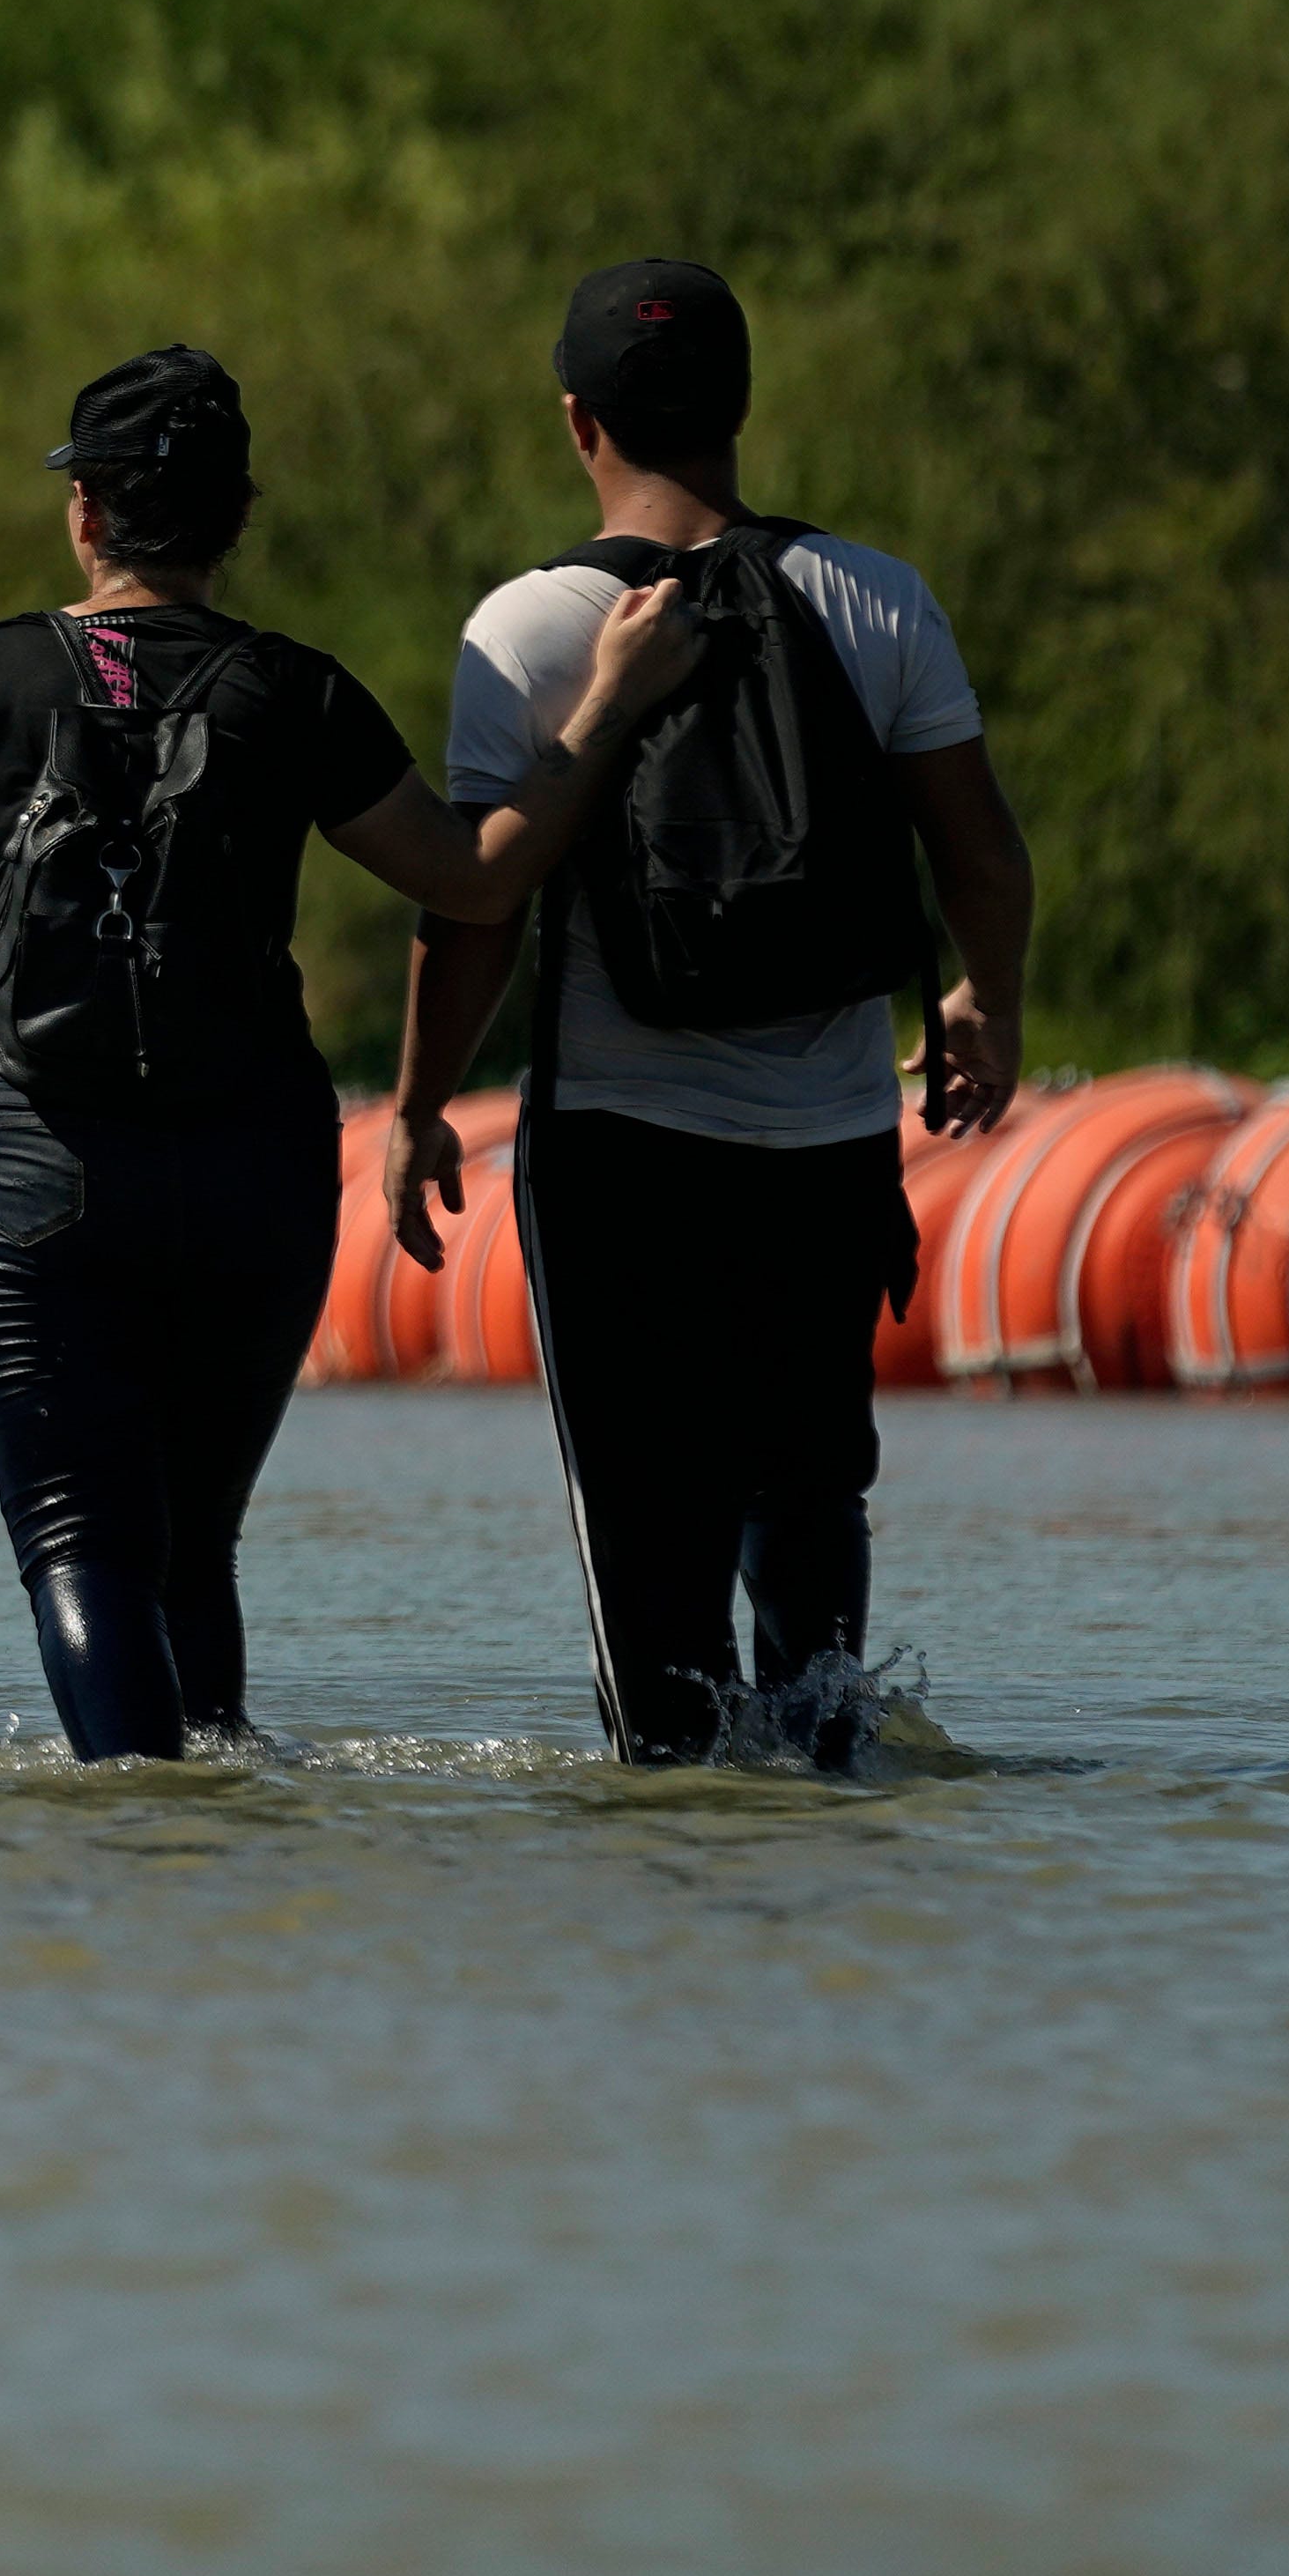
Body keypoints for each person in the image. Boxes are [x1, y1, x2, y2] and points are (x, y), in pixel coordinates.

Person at [0, 345, 706, 1760]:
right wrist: (611, 699)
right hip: (258, 1169)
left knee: (85, 1540)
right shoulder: (294, 693)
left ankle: (137, 1827)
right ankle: (216, 1822)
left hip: (35, 1166)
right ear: (233, 518)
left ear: (86, 513)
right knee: (196, 1540)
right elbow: (473, 878)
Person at [389, 261, 1037, 1769]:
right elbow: (982, 854)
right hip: (819, 1143)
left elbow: (475, 903)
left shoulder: (535, 624)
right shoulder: (872, 595)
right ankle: (824, 1790)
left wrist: (421, 1102)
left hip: (618, 1148)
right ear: (740, 408)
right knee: (808, 1509)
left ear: (575, 421)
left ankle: (676, 1855)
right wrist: (982, 1004)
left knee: (645, 1542)